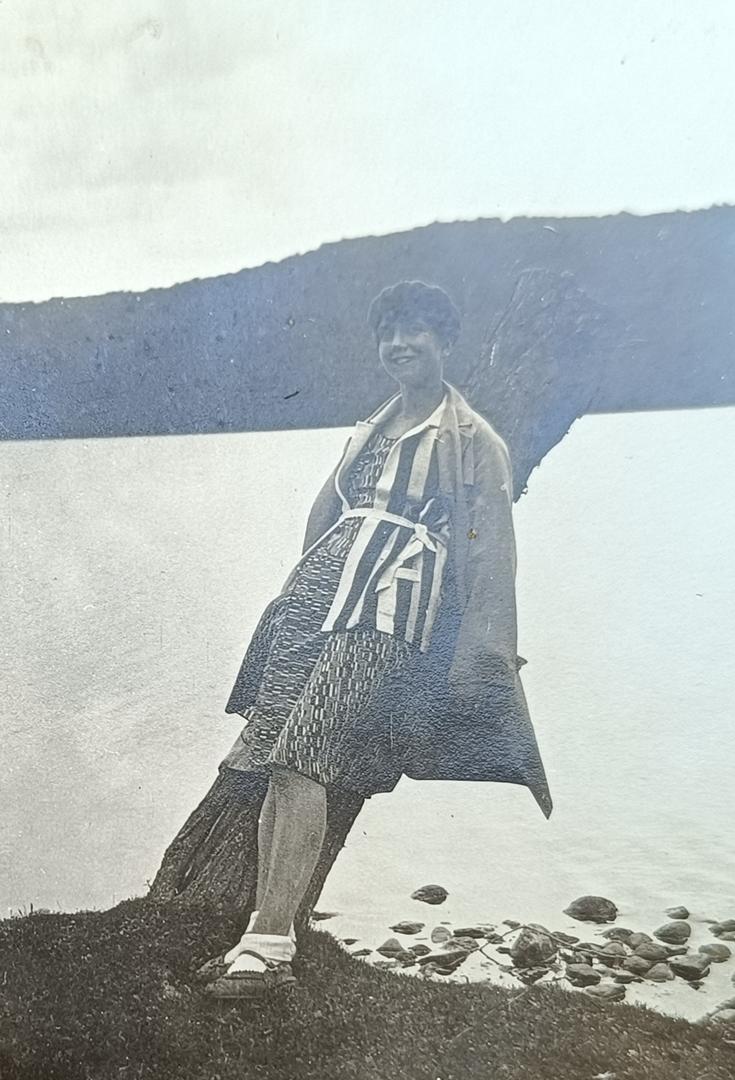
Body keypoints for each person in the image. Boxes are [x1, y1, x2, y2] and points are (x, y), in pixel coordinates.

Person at [200, 280, 551, 999]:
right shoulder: (372, 427)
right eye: (388, 332)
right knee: (274, 760)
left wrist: (482, 650)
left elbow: (491, 551)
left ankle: (271, 949)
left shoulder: (472, 441)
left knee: (306, 756)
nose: (399, 344)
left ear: (444, 341)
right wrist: (292, 594)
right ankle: (263, 934)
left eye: (414, 330)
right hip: (318, 593)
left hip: (391, 604)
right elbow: (326, 511)